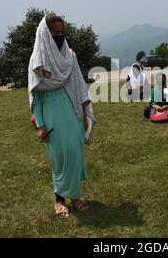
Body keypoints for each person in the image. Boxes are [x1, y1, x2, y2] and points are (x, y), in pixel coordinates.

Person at [28, 13, 95, 220]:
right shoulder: (37, 62)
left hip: (73, 113)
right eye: (54, 33)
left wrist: (84, 113)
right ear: (46, 35)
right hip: (51, 115)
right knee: (59, 158)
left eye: (61, 32)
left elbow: (79, 86)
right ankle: (59, 200)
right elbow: (35, 97)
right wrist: (40, 125)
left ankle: (74, 196)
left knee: (75, 154)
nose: (59, 36)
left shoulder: (70, 56)